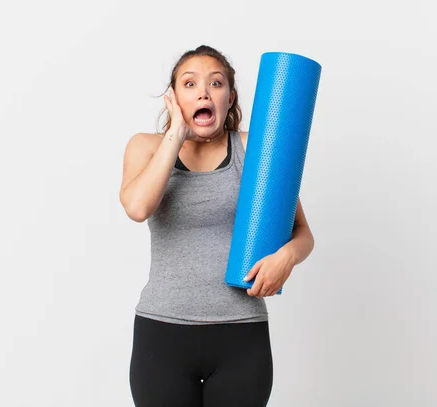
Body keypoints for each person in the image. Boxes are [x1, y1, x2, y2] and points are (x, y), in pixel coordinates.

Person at [119, 45, 315, 407]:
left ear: (230, 97)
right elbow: (138, 206)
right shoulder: (146, 147)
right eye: (190, 84)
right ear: (174, 98)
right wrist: (176, 134)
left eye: (216, 83)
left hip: (241, 335)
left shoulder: (254, 149)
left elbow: (303, 232)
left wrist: (286, 256)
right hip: (162, 335)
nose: (204, 92)